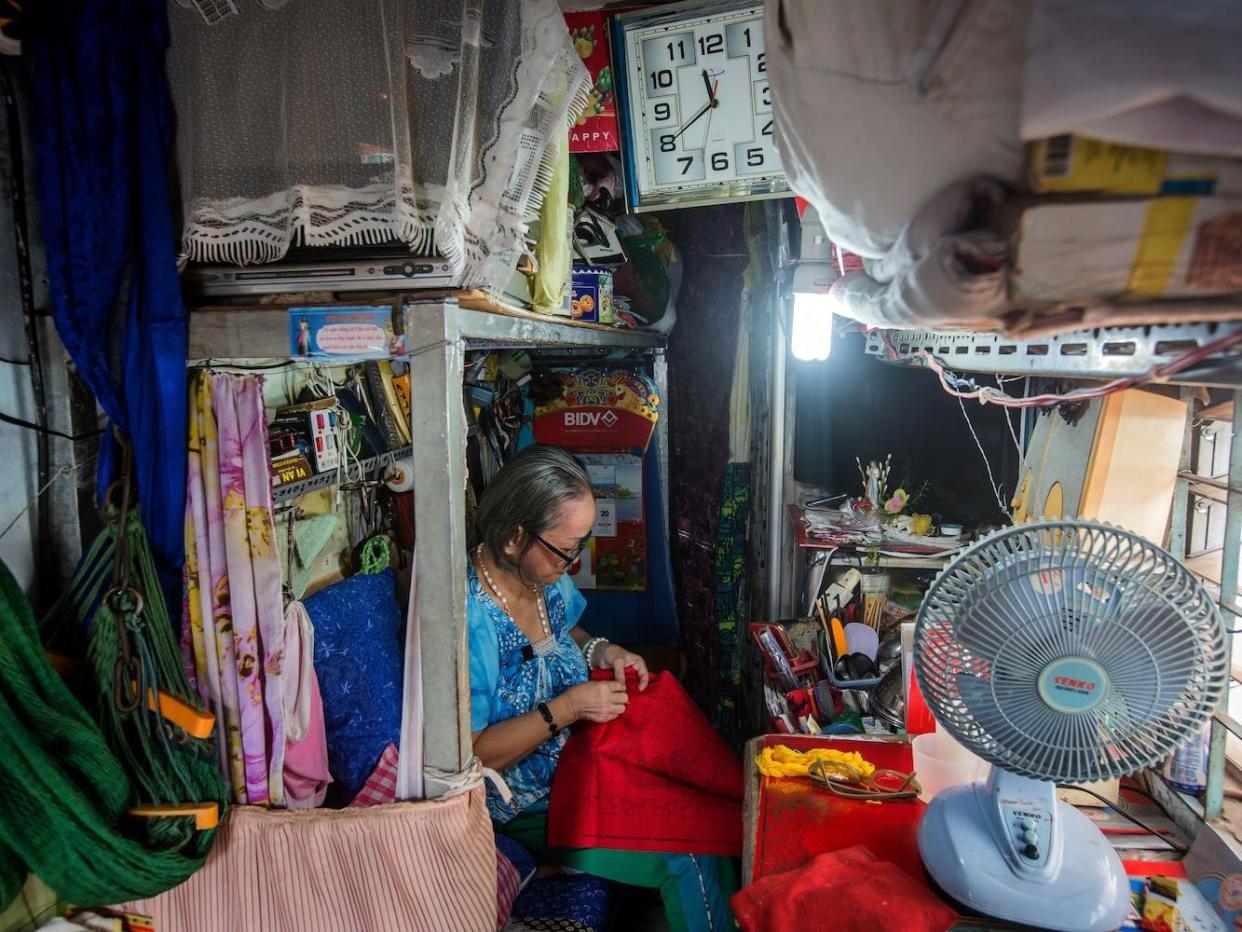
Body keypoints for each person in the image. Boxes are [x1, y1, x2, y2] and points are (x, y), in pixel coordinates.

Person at [468, 445, 737, 932]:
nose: (575, 561)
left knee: (710, 815)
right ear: (513, 537)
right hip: (525, 803)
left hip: (584, 764)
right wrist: (568, 707)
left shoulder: (538, 574)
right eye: (567, 548)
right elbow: (475, 755)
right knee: (688, 855)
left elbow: (566, 631)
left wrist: (604, 652)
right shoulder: (472, 621)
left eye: (581, 543)